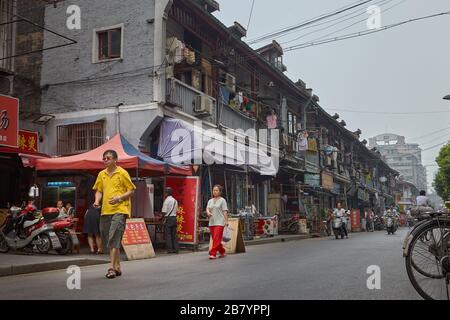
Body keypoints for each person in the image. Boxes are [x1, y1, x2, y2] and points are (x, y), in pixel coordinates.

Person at [93, 150, 136, 279]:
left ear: (115, 160)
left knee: (113, 238)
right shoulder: (101, 174)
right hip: (105, 211)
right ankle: (117, 267)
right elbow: (99, 190)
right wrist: (96, 200)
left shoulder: (122, 173)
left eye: (108, 158)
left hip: (120, 210)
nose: (105, 160)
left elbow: (131, 190)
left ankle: (111, 268)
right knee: (110, 240)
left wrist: (119, 198)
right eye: (104, 158)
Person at [207, 185, 229, 260]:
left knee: (216, 238)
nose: (215, 192)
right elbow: (208, 209)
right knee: (216, 239)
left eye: (216, 190)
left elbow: (225, 211)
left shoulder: (222, 200)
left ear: (220, 192)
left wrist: (226, 221)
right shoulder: (210, 201)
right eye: (214, 190)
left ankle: (212, 253)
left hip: (220, 222)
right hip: (212, 222)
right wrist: (208, 213)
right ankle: (222, 252)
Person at [162, 187, 179, 254]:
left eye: (165, 192)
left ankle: (170, 249)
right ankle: (176, 249)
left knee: (168, 235)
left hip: (168, 219)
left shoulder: (166, 201)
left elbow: (164, 211)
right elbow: (176, 210)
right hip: (174, 218)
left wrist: (162, 217)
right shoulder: (175, 200)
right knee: (174, 234)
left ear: (167, 193)